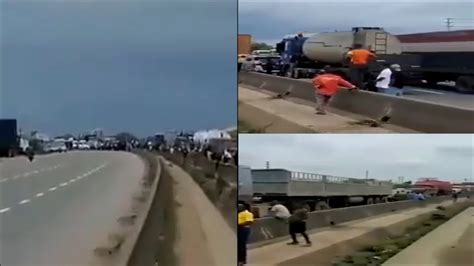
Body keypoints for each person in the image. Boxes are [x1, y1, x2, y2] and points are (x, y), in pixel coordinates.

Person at [238, 201, 254, 266]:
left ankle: (242, 260)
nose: (239, 208)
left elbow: (249, 222)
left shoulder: (248, 213)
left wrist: (239, 224)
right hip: (239, 229)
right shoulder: (239, 213)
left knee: (242, 245)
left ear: (244, 207)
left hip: (244, 229)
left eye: (240, 206)